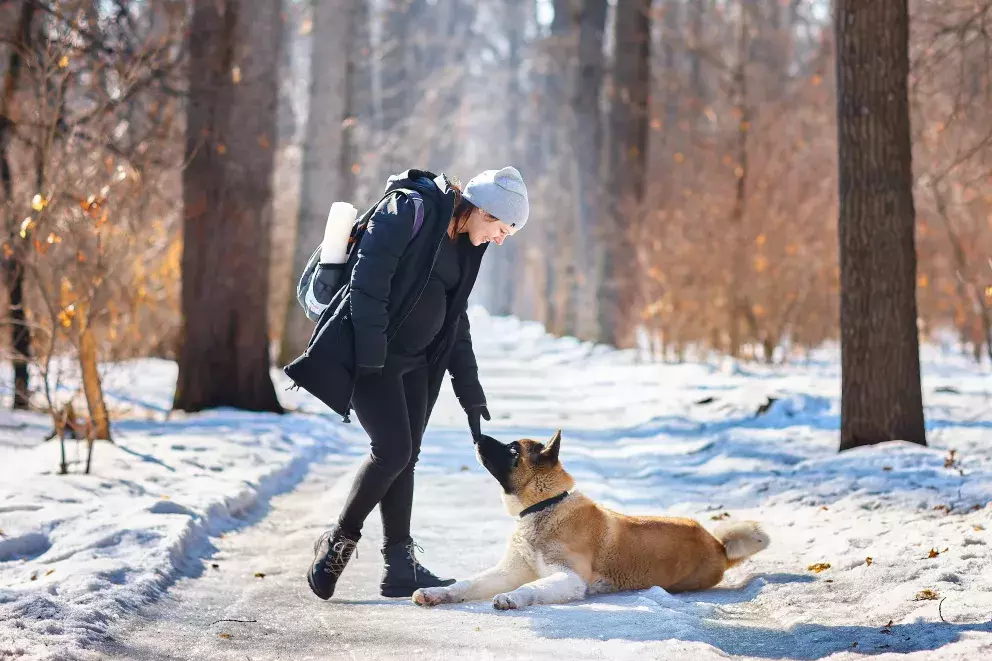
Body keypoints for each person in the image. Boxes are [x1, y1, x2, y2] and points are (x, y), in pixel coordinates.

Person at [300, 166, 529, 600]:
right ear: (479, 210)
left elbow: (455, 319)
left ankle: (399, 566)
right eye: (499, 228)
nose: (499, 239)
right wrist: (370, 355)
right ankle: (337, 544)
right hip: (374, 357)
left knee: (407, 457)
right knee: (392, 452)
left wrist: (470, 390)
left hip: (420, 365)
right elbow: (368, 284)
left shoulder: (465, 245)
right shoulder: (408, 209)